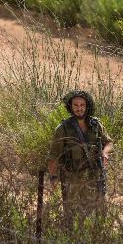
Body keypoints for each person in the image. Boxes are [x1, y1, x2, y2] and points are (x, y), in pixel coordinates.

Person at [47, 90, 113, 220]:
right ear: (70, 107)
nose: (79, 108)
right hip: (73, 178)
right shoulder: (63, 128)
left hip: (95, 176)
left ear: (87, 106)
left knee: (99, 211)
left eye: (82, 105)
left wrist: (105, 153)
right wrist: (53, 177)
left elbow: (109, 142)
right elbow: (54, 155)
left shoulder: (95, 125)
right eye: (76, 105)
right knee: (72, 214)